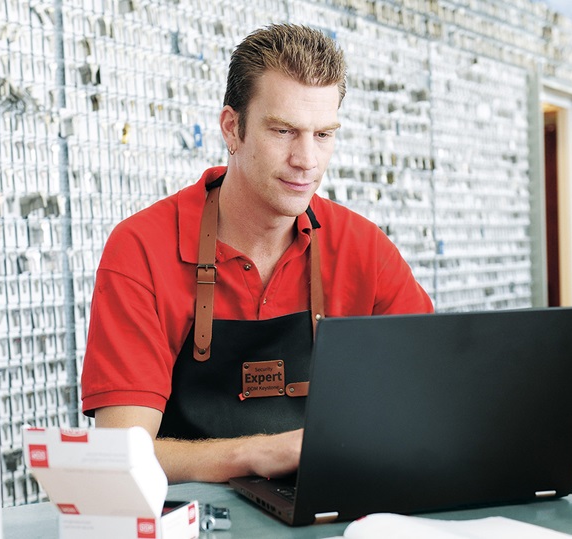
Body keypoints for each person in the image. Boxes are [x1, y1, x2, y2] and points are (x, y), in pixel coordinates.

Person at [80, 23, 434, 484]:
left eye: (323, 134)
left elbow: (431, 408)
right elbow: (120, 453)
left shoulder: (365, 249)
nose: (307, 159)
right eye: (284, 130)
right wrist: (256, 454)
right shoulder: (142, 248)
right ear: (233, 127)